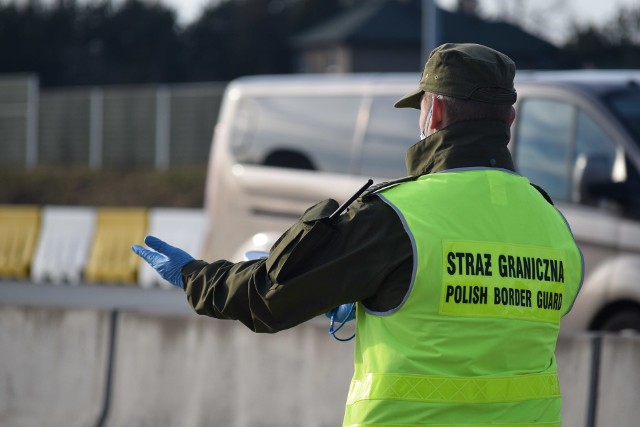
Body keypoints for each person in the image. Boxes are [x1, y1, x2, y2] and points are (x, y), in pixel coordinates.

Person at [133, 43, 584, 426]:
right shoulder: (552, 223)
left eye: (421, 107)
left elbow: (269, 297)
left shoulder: (397, 216)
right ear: (509, 120)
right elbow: (496, 313)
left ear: (437, 111)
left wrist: (195, 275)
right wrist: (389, 291)